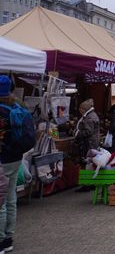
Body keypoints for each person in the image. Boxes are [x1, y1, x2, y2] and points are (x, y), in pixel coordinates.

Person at [0, 75, 35, 252]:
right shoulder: (16, 107)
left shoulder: (2, 111)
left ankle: (0, 240)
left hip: (2, 160)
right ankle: (8, 238)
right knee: (11, 198)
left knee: (1, 202)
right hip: (15, 159)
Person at [74, 98, 100, 193]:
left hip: (88, 143)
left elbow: (88, 131)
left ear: (84, 109)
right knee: (90, 163)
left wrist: (77, 133)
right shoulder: (92, 115)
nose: (79, 111)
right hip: (92, 143)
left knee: (86, 163)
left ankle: (86, 184)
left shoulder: (89, 117)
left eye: (80, 109)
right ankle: (90, 183)